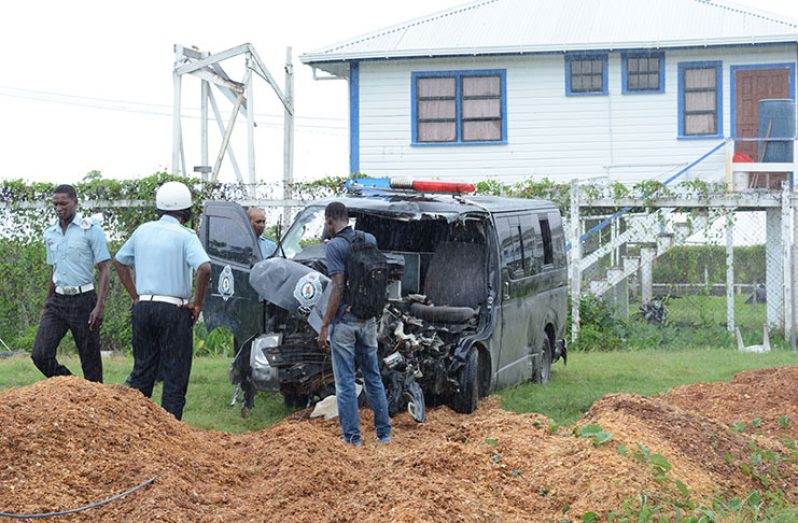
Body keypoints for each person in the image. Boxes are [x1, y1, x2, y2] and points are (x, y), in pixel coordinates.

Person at [113, 181, 211, 420]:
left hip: (143, 307)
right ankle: (171, 434)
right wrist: (197, 304)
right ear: (186, 212)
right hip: (174, 310)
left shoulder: (142, 231)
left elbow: (119, 261)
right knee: (175, 375)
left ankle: (137, 427)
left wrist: (135, 296)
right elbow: (205, 268)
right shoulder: (185, 235)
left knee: (143, 371)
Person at [318, 201, 391, 446]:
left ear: (329, 221)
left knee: (346, 382)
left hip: (345, 321)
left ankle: (352, 438)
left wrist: (325, 324)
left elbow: (338, 286)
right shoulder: (368, 239)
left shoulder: (335, 247)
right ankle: (384, 434)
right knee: (373, 376)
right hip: (368, 319)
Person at [32, 184, 110, 383]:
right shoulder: (51, 233)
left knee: (90, 362)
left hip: (84, 300)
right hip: (58, 301)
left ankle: (97, 403)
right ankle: (72, 385)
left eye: (63, 203)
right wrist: (47, 302)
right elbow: (54, 269)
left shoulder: (91, 230)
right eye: (55, 204)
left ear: (75, 203)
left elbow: (104, 269)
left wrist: (99, 306)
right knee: (40, 354)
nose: (59, 207)